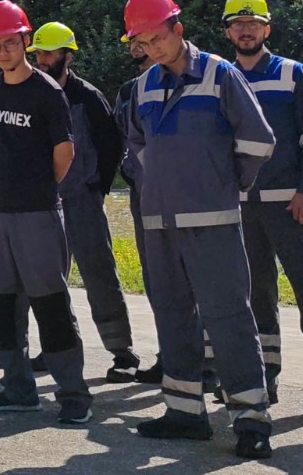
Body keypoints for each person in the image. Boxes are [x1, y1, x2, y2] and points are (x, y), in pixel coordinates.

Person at [123, 0, 275, 461]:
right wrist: (158, 179)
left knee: (229, 317)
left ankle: (251, 419)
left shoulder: (219, 74)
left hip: (212, 221)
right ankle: (185, 412)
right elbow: (136, 145)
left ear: (178, 29)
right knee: (172, 314)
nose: (153, 49)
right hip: (159, 222)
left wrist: (223, 183)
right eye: (143, 42)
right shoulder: (144, 86)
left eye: (158, 38)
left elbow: (258, 140)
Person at [221, 0, 303, 418]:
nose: (246, 30)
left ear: (267, 29)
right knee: (255, 298)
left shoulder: (294, 74)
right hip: (242, 207)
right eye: (238, 24)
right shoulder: (222, 78)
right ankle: (264, 379)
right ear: (228, 32)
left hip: (291, 204)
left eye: (253, 24)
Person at [0, 0, 93, 426]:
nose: (2, 51)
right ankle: (18, 388)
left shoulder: (47, 92)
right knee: (3, 304)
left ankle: (74, 393)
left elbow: (65, 152)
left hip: (37, 211)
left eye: (10, 43)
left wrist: (38, 189)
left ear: (26, 40)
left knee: (50, 302)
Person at [28, 22, 142, 382]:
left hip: (82, 200)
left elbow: (111, 147)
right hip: (45, 204)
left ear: (68, 56)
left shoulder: (88, 97)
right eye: (38, 53)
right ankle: (56, 348)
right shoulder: (33, 94)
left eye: (48, 53)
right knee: (48, 281)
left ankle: (122, 352)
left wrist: (96, 189)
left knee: (100, 275)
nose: (42, 60)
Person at [113, 37, 162, 386]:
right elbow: (121, 138)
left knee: (196, 279)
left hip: (186, 196)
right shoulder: (129, 90)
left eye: (141, 40)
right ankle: (171, 354)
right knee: (158, 279)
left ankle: (207, 363)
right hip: (143, 195)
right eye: (131, 41)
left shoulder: (185, 81)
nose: (135, 48)